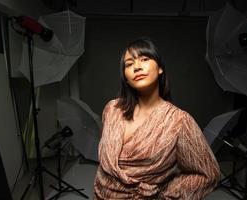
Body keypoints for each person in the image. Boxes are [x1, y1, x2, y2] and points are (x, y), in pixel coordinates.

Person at [94, 38, 220, 199]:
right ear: (126, 77)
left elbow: (208, 173)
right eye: (129, 64)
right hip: (100, 195)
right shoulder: (112, 109)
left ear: (160, 68)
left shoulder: (179, 122)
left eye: (144, 59)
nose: (137, 67)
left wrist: (166, 195)